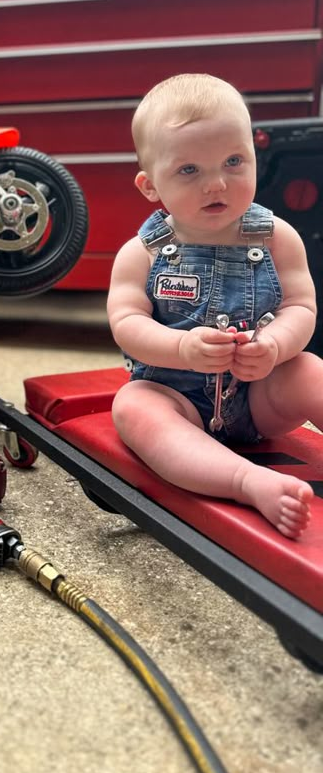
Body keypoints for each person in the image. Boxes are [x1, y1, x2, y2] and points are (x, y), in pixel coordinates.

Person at [107, 73, 316, 538]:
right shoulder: (140, 253)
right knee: (133, 405)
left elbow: (301, 308)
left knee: (309, 370)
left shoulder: (279, 238)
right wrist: (181, 348)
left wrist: (276, 346)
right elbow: (126, 323)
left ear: (254, 158)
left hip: (260, 399)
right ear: (150, 186)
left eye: (234, 161)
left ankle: (249, 451)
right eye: (189, 170)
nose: (217, 183)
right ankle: (246, 481)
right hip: (178, 401)